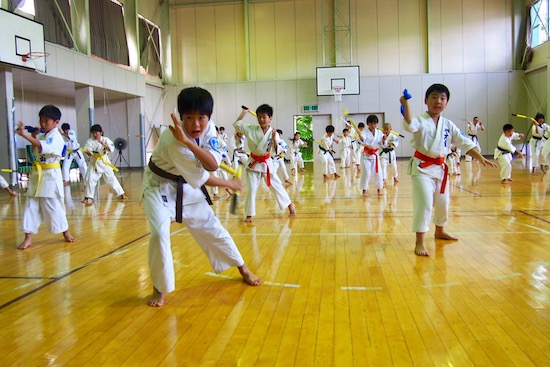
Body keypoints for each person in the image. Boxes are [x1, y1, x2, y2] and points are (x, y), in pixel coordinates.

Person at [142, 87, 261, 307]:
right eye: (189, 118)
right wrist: (229, 183)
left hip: (187, 186)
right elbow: (205, 174)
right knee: (159, 234)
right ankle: (159, 288)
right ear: (180, 116)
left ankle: (242, 267)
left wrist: (192, 144)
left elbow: (213, 162)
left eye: (201, 118)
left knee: (213, 228)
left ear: (209, 117)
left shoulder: (210, 129)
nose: (195, 125)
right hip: (158, 187)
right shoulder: (172, 139)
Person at [400, 84, 495, 257]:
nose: (438, 101)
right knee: (425, 204)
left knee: (443, 203)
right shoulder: (420, 120)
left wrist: (480, 157)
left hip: (441, 169)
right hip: (422, 168)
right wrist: (405, 104)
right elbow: (409, 124)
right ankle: (419, 241)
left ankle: (439, 231)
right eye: (434, 97)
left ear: (447, 103)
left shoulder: (448, 124)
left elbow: (464, 142)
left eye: (442, 98)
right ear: (426, 101)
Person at [15, 105, 76, 250]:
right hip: (38, 175)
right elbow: (38, 145)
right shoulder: (43, 135)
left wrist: (25, 135)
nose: (42, 124)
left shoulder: (57, 137)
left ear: (56, 122)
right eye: (41, 121)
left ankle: (66, 232)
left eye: (46, 121)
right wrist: (34, 135)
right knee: (30, 206)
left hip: (50, 176)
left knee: (53, 207)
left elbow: (43, 147)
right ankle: (28, 237)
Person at [233, 105, 296, 223]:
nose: (261, 119)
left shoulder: (273, 133)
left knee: (276, 185)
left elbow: (277, 150)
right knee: (251, 189)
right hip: (253, 162)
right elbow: (237, 125)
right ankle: (249, 214)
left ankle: (290, 205)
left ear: (270, 118)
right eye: (259, 117)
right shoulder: (251, 129)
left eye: (264, 117)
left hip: (266, 162)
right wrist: (243, 113)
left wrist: (274, 139)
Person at [81, 124, 127, 205]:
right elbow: (87, 152)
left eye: (96, 133)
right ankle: (88, 197)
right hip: (94, 162)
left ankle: (122, 194)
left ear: (101, 132)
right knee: (90, 179)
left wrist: (103, 144)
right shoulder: (90, 141)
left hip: (104, 162)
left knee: (111, 179)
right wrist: (88, 153)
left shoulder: (106, 140)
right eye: (93, 133)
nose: (95, 135)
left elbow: (111, 149)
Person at [358, 115, 384, 196]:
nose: (373, 126)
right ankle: (364, 190)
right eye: (371, 124)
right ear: (367, 124)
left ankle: (379, 189)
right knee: (366, 173)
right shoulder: (364, 132)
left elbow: (382, 144)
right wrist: (361, 138)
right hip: (366, 156)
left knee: (378, 172)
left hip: (375, 155)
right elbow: (362, 140)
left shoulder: (379, 132)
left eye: (375, 124)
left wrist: (383, 140)